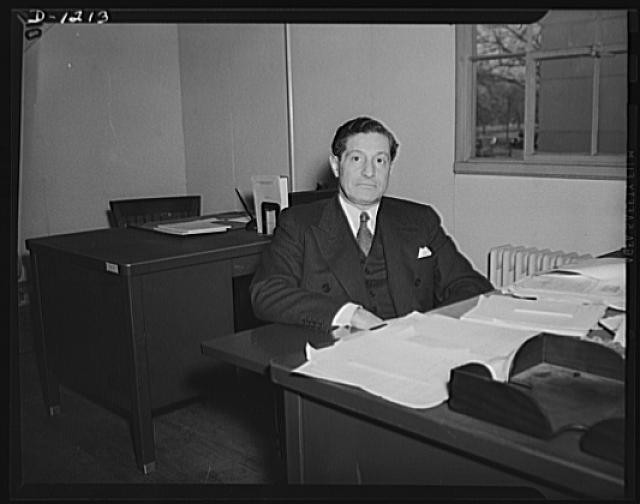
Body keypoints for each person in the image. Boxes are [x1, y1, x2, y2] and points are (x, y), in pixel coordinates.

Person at [250, 116, 493, 333]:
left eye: (380, 161)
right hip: (340, 352)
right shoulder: (299, 224)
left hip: (412, 349)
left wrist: (433, 325)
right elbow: (267, 293)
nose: (369, 172)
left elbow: (470, 284)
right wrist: (350, 315)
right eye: (357, 159)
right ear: (336, 165)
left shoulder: (420, 220)